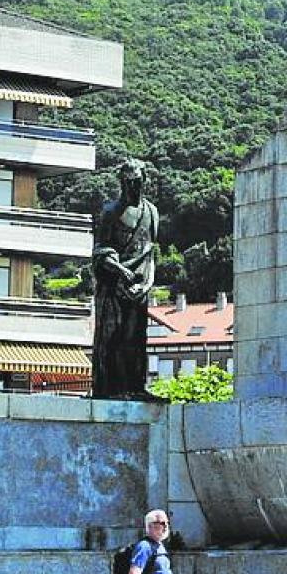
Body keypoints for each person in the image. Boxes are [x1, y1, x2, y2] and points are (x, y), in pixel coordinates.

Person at [92, 159, 160, 399]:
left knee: (136, 337)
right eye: (128, 182)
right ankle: (113, 389)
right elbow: (100, 252)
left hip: (139, 287)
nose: (132, 187)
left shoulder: (151, 212)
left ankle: (136, 387)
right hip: (113, 286)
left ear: (144, 180)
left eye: (137, 181)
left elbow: (150, 253)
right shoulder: (111, 212)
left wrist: (146, 283)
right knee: (113, 337)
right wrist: (120, 270)